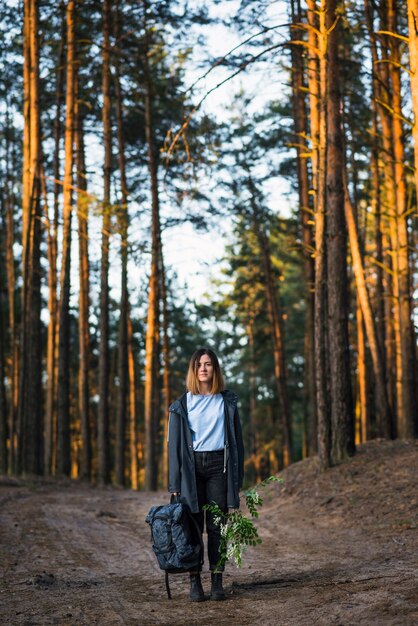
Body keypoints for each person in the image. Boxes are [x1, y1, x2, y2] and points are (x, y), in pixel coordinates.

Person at [168, 347, 244, 602]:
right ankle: (194, 582)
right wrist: (174, 483)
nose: (203, 368)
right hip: (191, 470)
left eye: (208, 364)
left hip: (218, 468)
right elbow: (174, 448)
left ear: (215, 369)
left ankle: (217, 581)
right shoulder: (182, 404)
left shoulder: (227, 401)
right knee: (192, 527)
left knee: (217, 527)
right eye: (199, 364)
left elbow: (238, 444)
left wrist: (236, 480)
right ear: (193, 370)